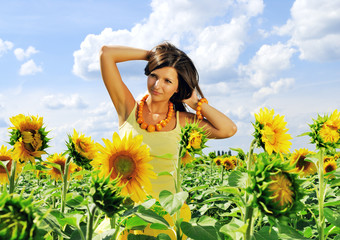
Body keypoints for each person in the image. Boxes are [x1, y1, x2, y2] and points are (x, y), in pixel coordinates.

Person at [99, 41, 237, 238]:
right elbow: (106, 54)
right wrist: (153, 55)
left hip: (166, 217)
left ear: (178, 88)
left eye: (167, 81)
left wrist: (196, 102)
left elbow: (228, 129)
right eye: (154, 75)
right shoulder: (128, 109)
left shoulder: (184, 121)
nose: (157, 85)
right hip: (126, 213)